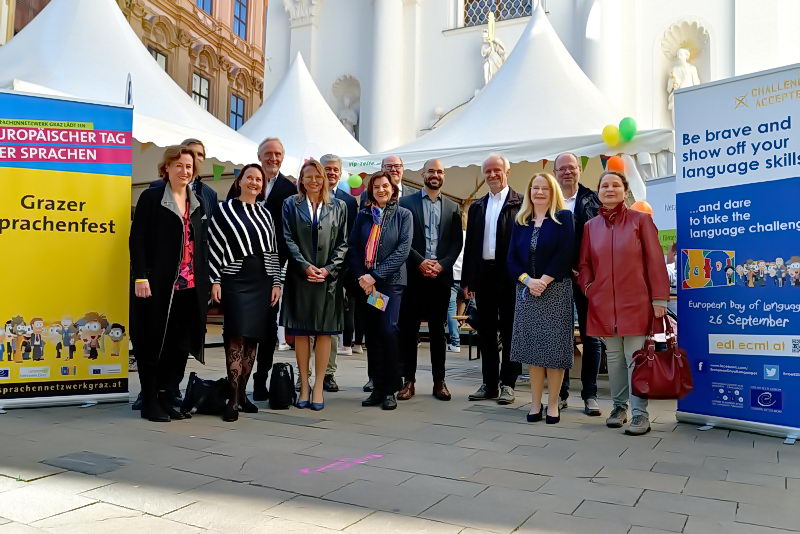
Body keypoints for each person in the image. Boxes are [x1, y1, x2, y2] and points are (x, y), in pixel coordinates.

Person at [578, 171, 670, 436]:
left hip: (636, 303)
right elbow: (584, 265)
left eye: (615, 185)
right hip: (604, 305)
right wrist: (590, 289)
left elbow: (655, 261)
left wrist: (659, 298)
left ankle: (640, 414)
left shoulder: (641, 220)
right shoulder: (590, 227)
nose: (609, 189)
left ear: (625, 191)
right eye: (604, 185)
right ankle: (619, 408)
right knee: (615, 358)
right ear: (598, 192)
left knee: (635, 358)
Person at [136, 138, 218, 412]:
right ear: (167, 168)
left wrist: (208, 281)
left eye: (189, 167)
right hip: (159, 284)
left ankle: (169, 393)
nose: (185, 171)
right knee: (154, 341)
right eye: (179, 165)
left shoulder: (198, 202)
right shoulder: (152, 198)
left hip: (190, 285)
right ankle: (150, 399)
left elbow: (202, 245)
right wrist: (140, 276)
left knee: (180, 344)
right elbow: (138, 239)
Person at [209, 164, 283, 422]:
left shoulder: (265, 213)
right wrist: (215, 280)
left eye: (258, 179)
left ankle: (242, 393)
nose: (254, 182)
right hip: (235, 279)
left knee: (253, 338)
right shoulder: (224, 209)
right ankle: (232, 398)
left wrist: (276, 282)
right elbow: (214, 246)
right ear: (239, 181)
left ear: (262, 185)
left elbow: (272, 249)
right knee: (236, 335)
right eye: (249, 177)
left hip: (262, 280)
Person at [507, 173, 575, 424]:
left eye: (545, 188)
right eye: (535, 188)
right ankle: (535, 404)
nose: (539, 192)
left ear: (553, 191)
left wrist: (544, 281)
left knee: (554, 351)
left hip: (556, 290)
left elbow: (566, 253)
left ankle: (553, 404)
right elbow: (511, 259)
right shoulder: (521, 221)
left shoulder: (563, 218)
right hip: (527, 291)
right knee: (533, 351)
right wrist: (528, 281)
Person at [281, 159, 348, 411]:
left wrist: (328, 269)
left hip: (327, 280)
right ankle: (304, 385)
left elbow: (344, 242)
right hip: (300, 277)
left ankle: (319, 385)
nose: (314, 181)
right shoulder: (291, 204)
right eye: (308, 176)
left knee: (323, 333)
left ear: (325, 179)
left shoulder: (339, 206)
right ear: (301, 179)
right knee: (300, 332)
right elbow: (287, 237)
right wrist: (303, 265)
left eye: (318, 176)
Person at [397, 159, 463, 401]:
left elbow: (456, 243)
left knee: (438, 331)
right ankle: (408, 381)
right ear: (422, 174)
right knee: (409, 330)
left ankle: (439, 381)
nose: (435, 175)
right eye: (431, 171)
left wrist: (442, 264)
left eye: (440, 172)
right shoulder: (406, 203)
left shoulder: (453, 207)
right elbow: (403, 238)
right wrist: (420, 261)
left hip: (440, 278)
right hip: (414, 276)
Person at [348, 172, 413, 410]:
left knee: (388, 330)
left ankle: (391, 388)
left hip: (390, 283)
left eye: (385, 186)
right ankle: (377, 387)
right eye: (376, 187)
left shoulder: (403, 215)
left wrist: (374, 276)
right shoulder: (364, 215)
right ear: (371, 191)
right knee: (373, 333)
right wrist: (362, 277)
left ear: (393, 189)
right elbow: (354, 247)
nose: (381, 190)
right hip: (367, 286)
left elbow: (403, 250)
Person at [462, 154, 523, 404]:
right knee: (485, 331)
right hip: (484, 274)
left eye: (497, 170)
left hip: (510, 274)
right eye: (488, 171)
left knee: (510, 330)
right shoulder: (477, 206)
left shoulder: (521, 203)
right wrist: (467, 280)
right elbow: (470, 246)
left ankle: (508, 383)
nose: (493, 174)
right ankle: (489, 383)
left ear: (507, 172)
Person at [553, 152, 603, 416]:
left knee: (590, 336)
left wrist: (584, 268)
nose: (567, 172)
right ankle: (559, 394)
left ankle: (590, 395)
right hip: (556, 278)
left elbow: (599, 239)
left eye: (571, 167)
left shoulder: (592, 199)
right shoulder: (549, 199)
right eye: (562, 168)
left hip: (586, 278)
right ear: (555, 172)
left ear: (579, 171)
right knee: (560, 336)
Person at [252, 137, 297, 401]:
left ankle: (261, 379)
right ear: (259, 156)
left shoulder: (289, 189)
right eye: (268, 153)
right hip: (243, 268)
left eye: (278, 154)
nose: (273, 158)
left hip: (273, 268)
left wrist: (280, 272)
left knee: (268, 329)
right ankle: (238, 378)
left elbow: (290, 231)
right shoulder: (247, 180)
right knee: (243, 326)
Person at [322, 154, 358, 393]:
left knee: (332, 325)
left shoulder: (348, 201)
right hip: (309, 271)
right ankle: (306, 373)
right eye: (327, 169)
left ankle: (328, 373)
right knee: (307, 327)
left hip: (337, 273)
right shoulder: (304, 196)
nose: (331, 173)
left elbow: (350, 240)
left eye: (335, 169)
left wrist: (339, 270)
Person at [447, 211, 468, 353]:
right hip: (465, 277)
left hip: (453, 275)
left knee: (450, 309)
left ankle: (455, 341)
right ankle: (461, 327)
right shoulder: (468, 236)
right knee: (464, 303)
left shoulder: (450, 235)